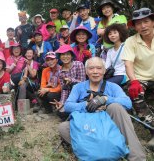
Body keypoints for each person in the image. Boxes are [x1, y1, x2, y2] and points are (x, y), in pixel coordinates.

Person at [58, 57, 146, 161]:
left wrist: (106, 99)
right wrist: (86, 105)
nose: (95, 72)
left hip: (108, 123)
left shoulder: (113, 86)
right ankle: (93, 152)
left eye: (99, 68)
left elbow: (128, 103)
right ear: (86, 71)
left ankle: (136, 156)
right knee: (64, 127)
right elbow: (68, 106)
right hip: (87, 124)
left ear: (104, 70)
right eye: (91, 68)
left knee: (115, 107)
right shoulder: (78, 87)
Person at [121, 8, 154, 147]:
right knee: (135, 94)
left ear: (153, 22)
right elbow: (128, 63)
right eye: (139, 23)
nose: (143, 26)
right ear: (134, 27)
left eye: (146, 21)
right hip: (139, 77)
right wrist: (134, 81)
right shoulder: (130, 41)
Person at [54, 45, 85, 114]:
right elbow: (64, 89)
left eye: (68, 54)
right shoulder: (60, 72)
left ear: (71, 56)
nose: (65, 57)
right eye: (63, 55)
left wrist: (71, 80)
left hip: (82, 94)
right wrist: (62, 102)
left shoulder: (79, 64)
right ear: (60, 57)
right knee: (60, 112)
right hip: (71, 97)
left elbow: (83, 83)